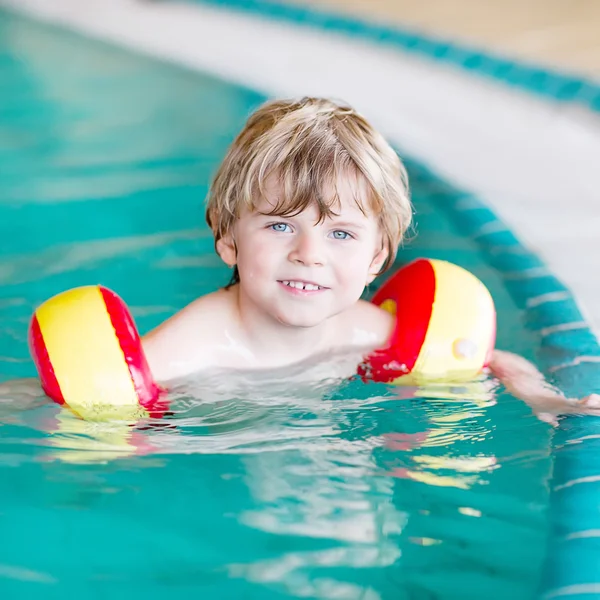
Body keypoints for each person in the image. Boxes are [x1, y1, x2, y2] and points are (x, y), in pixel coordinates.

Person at [141, 97, 599, 423]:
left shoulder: (363, 331)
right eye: (280, 226)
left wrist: (542, 398)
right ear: (227, 238)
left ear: (376, 258)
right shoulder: (185, 350)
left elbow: (492, 360)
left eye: (340, 234)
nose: (309, 255)